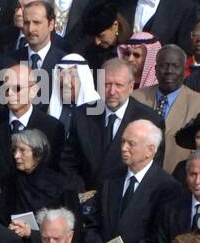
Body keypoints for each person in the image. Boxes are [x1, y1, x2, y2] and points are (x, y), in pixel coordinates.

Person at [84, 117, 178, 243]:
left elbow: (157, 239)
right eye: (122, 141)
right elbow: (91, 223)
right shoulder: (110, 180)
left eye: (131, 143)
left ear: (150, 150)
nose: (123, 148)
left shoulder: (167, 187)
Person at [61, 56, 164, 193]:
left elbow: (151, 172)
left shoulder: (150, 120)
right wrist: (81, 194)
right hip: (84, 201)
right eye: (107, 84)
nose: (112, 91)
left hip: (125, 203)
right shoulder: (82, 115)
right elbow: (68, 162)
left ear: (131, 86)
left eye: (119, 85)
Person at [0, 61, 64, 185]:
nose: (10, 93)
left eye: (17, 88)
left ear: (33, 90)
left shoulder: (52, 128)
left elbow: (55, 173)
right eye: (6, 88)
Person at [0, 128, 82, 243]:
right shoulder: (9, 182)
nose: (16, 155)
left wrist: (32, 234)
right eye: (14, 150)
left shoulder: (61, 186)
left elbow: (73, 231)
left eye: (22, 150)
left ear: (38, 154)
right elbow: (0, 217)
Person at [134, 44, 200, 173]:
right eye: (164, 65)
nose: (169, 70)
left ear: (184, 70)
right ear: (155, 69)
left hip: (179, 182)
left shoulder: (197, 104)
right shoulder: (136, 98)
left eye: (175, 66)